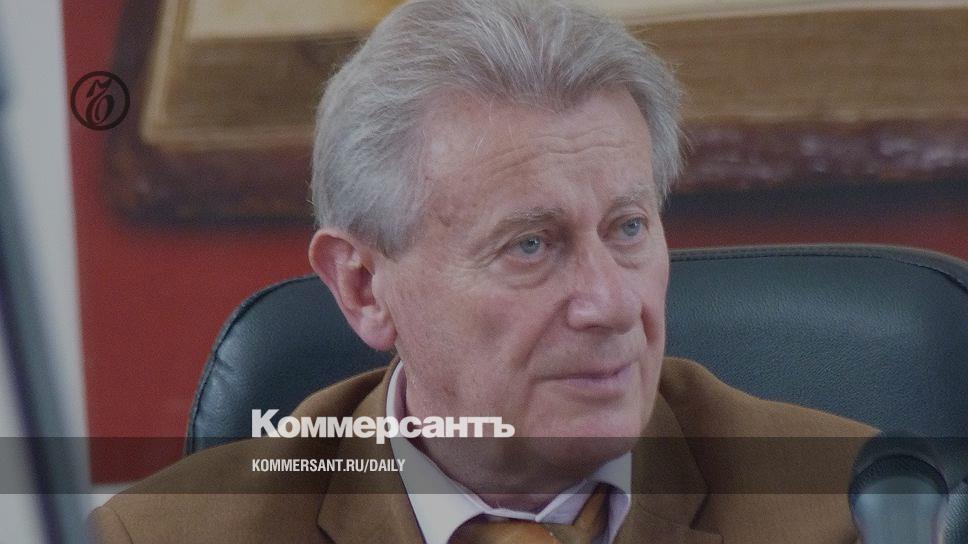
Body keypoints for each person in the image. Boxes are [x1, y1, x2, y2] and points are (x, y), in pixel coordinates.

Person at [89, 0, 875, 542]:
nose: (610, 303)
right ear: (363, 287)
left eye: (628, 228)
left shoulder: (864, 512)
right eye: (530, 245)